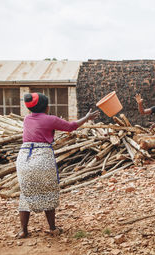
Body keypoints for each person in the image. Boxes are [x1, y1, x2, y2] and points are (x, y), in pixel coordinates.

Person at [16, 92, 99, 238]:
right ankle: (53, 228)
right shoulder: (50, 119)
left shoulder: (27, 119)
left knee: (26, 193)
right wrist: (87, 117)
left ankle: (23, 230)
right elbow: (71, 126)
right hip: (42, 158)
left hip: (24, 159)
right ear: (46, 107)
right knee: (48, 191)